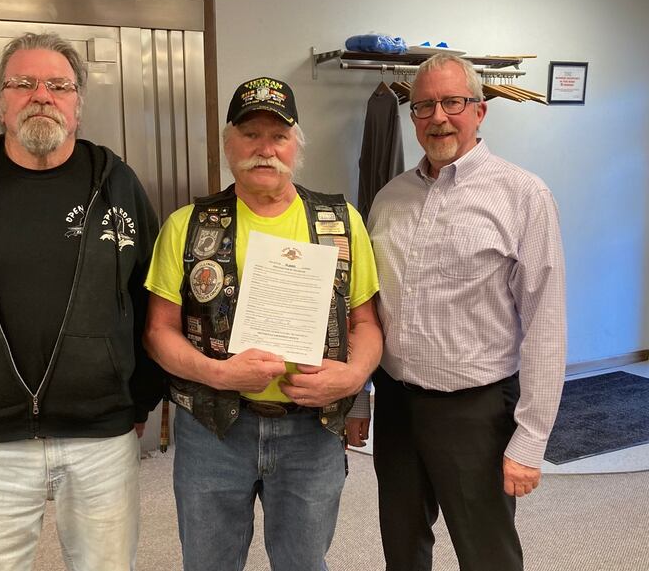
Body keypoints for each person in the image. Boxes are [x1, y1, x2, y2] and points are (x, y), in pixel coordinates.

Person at [0, 32, 164, 571]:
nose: (41, 95)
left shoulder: (118, 185)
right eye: (23, 82)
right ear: (1, 99)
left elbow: (148, 300)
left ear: (77, 103)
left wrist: (140, 401)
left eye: (58, 85)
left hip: (101, 435)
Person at [143, 76, 383, 571]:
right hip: (212, 428)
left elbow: (366, 323)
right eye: (250, 134)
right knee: (208, 563)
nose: (264, 149)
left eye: (278, 136)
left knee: (304, 563)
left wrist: (355, 378)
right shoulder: (187, 224)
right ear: (229, 145)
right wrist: (217, 373)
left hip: (311, 431)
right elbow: (157, 332)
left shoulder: (340, 222)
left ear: (297, 146)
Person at [352, 53, 566, 571]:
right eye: (424, 106)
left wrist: (531, 437)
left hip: (478, 413)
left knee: (487, 555)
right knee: (402, 549)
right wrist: (359, 400)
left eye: (453, 102)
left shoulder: (523, 195)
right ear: (412, 116)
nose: (438, 117)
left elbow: (546, 325)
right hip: (398, 405)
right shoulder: (388, 198)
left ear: (480, 111)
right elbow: (366, 308)